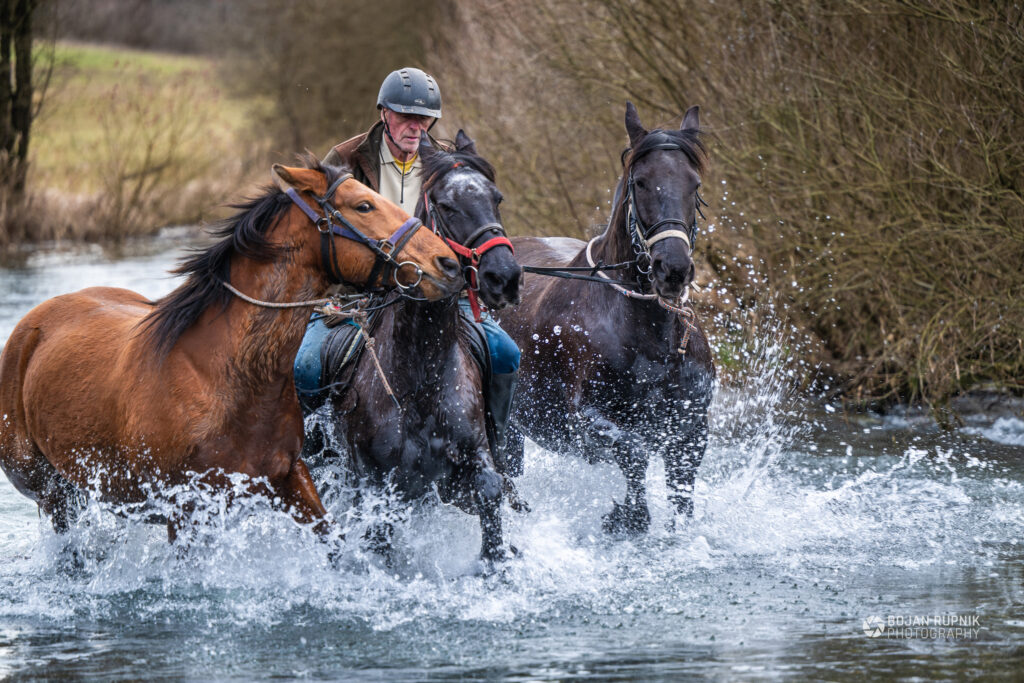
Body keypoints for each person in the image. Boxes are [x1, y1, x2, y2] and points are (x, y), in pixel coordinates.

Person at [295, 67, 521, 465]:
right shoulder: (345, 160)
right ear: (384, 113)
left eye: (425, 119)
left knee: (505, 353)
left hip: (438, 295)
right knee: (307, 365)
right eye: (406, 116)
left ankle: (495, 450)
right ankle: (309, 458)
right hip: (358, 298)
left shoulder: (448, 163)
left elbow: (473, 223)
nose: (416, 127)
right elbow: (318, 230)